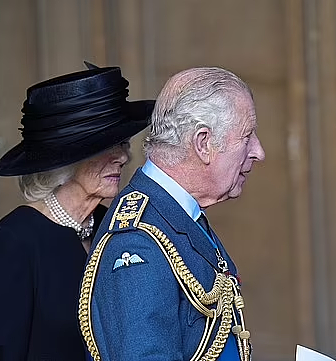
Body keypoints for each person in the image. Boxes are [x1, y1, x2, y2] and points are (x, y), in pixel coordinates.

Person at [78, 66, 265, 361]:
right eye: (246, 137)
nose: (258, 151)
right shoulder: (137, 239)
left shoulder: (177, 213)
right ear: (203, 144)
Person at [0, 64, 154, 361]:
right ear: (65, 159)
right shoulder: (13, 243)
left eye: (121, 142)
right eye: (107, 145)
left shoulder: (118, 227)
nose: (123, 156)